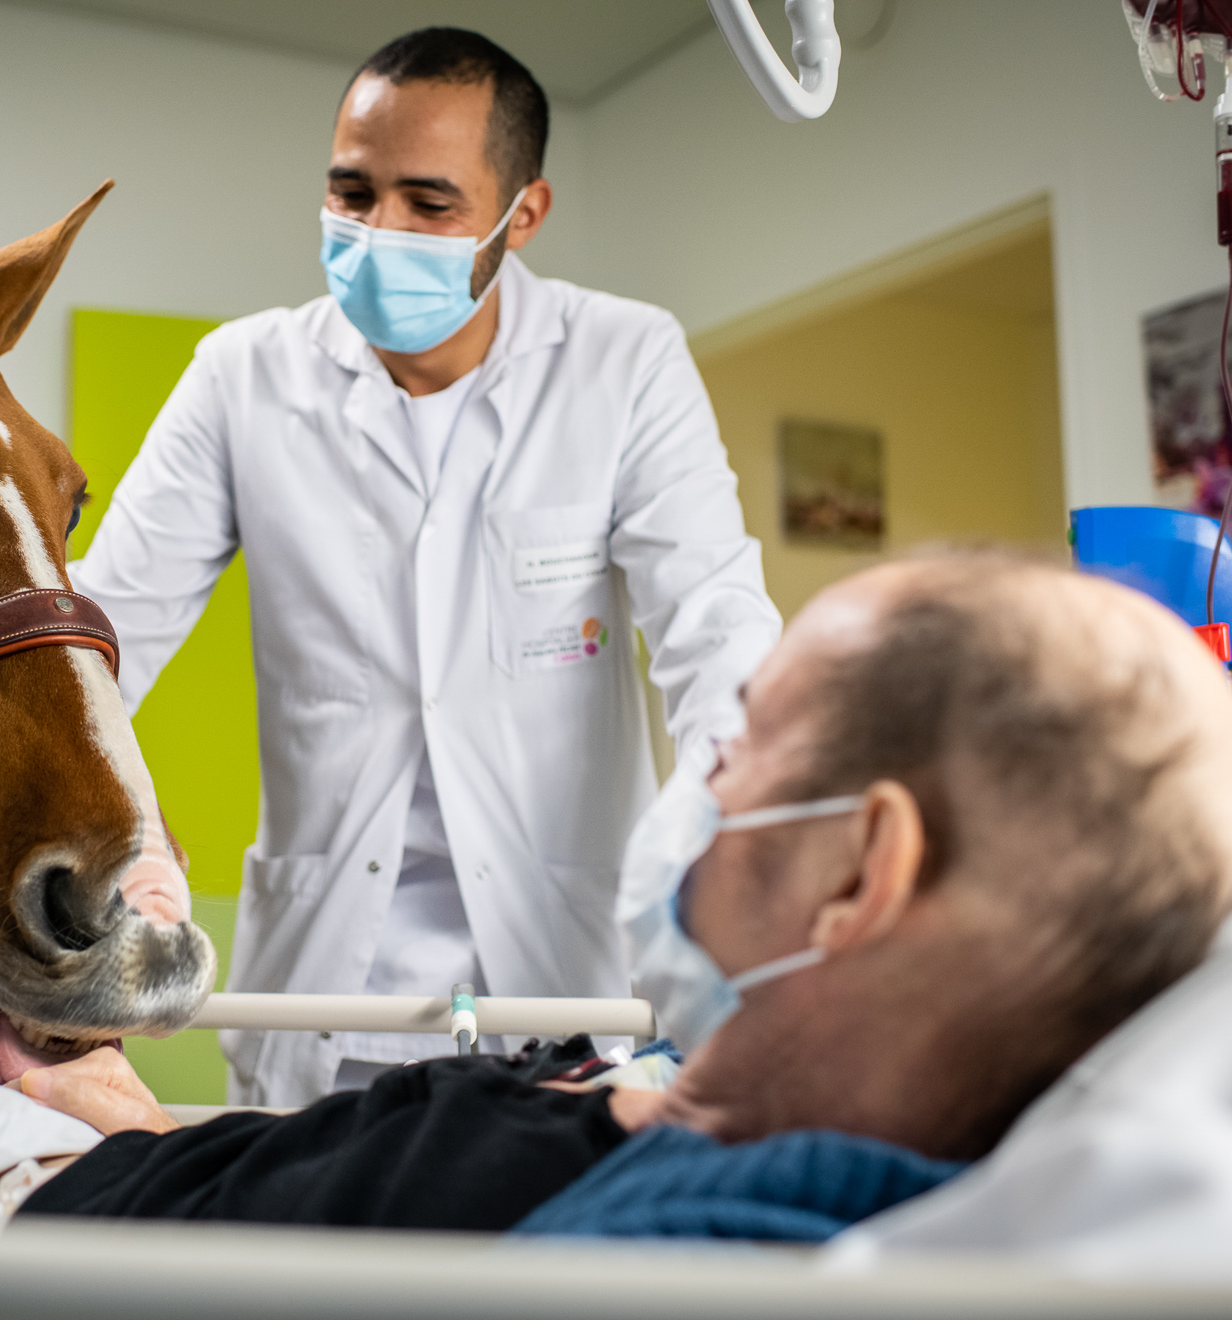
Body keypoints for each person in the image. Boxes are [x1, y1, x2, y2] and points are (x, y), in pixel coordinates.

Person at [1, 552, 1232, 1232]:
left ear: (856, 873)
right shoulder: (639, 1114)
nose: (699, 779)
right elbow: (306, 1194)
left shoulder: (660, 1239)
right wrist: (124, 1119)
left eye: (740, 741)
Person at [69, 28, 781, 1106]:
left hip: (557, 1000)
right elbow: (100, 637)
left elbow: (716, 632)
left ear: (522, 214)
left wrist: (746, 858)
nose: (379, 229)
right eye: (352, 193)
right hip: (323, 1003)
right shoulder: (243, 377)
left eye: (428, 202)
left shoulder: (622, 362)